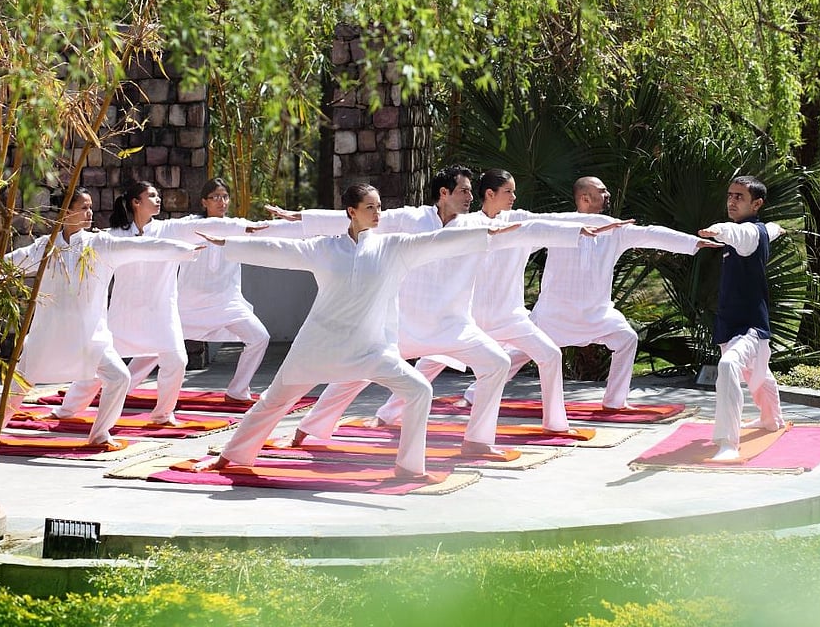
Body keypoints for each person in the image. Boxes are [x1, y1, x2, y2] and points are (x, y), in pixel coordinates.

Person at [194, 184, 516, 480]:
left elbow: (435, 242)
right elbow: (279, 249)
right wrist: (229, 244)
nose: (378, 214)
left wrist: (485, 233)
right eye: (370, 208)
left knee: (419, 390)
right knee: (273, 402)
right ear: (351, 211)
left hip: (370, 350)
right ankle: (229, 456)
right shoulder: (324, 248)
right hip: (317, 347)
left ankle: (409, 468)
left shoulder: (392, 247)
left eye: (379, 207)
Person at [274, 166, 597, 456]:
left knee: (497, 363)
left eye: (472, 191)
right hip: (406, 323)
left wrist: (573, 231)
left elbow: (529, 229)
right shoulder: (411, 218)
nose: (471, 197)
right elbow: (356, 217)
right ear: (444, 193)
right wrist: (303, 219)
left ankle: (477, 441)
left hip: (453, 325)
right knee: (357, 373)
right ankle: (309, 428)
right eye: (464, 191)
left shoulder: (475, 224)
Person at [0, 187, 202, 448]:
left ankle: (100, 434)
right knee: (18, 386)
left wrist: (184, 249)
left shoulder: (99, 244)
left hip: (90, 337)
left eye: (90, 207)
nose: (90, 213)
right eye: (83, 208)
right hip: (48, 335)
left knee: (119, 377)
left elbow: (143, 246)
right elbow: (9, 264)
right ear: (66, 212)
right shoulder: (43, 248)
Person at [56, 181, 262, 426]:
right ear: (136, 202)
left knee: (176, 361)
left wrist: (245, 227)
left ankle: (163, 414)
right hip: (125, 315)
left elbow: (207, 224)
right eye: (152, 196)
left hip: (162, 315)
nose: (158, 199)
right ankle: (67, 410)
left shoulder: (170, 229)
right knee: (98, 366)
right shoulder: (115, 235)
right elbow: (81, 246)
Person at [515, 176, 719, 410]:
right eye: (602, 191)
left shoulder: (616, 230)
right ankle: (474, 393)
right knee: (517, 352)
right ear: (585, 198)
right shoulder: (560, 223)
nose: (608, 195)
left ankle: (614, 401)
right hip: (554, 313)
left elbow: (651, 234)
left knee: (627, 339)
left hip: (597, 313)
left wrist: (693, 243)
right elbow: (524, 224)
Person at [442, 169, 623, 432]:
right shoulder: (464, 224)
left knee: (549, 355)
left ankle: (555, 424)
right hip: (467, 316)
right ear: (490, 194)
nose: (514, 196)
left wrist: (586, 225)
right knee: (432, 360)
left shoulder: (519, 220)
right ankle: (390, 412)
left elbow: (549, 220)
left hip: (509, 316)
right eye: (509, 192)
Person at [698, 175, 786, 461]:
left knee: (728, 366)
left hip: (749, 325)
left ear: (756, 204)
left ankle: (727, 442)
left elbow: (736, 234)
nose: (732, 201)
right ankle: (771, 419)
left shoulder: (745, 233)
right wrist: (777, 228)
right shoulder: (758, 230)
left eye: (740, 197)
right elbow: (768, 230)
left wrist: (715, 229)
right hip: (731, 322)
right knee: (757, 373)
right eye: (730, 195)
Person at [175, 178, 272, 404]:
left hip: (227, 302)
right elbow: (157, 231)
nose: (222, 201)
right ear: (204, 202)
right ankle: (125, 385)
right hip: (189, 302)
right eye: (215, 197)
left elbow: (266, 232)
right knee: (158, 343)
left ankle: (237, 391)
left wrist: (303, 225)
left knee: (259, 338)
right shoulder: (189, 226)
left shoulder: (237, 226)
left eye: (225, 197)